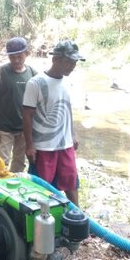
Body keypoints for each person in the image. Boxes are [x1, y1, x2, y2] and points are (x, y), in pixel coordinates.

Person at [22, 40, 85, 206]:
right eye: (68, 61)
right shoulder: (36, 83)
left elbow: (66, 110)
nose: (72, 66)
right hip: (44, 146)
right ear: (55, 59)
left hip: (65, 144)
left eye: (74, 62)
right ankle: (41, 220)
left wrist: (73, 134)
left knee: (71, 181)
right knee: (42, 186)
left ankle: (76, 215)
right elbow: (27, 115)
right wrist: (29, 145)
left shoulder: (67, 82)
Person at [0, 37, 35, 172]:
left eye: (19, 56)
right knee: (1, 164)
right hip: (4, 128)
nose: (16, 60)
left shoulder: (32, 74)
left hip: (24, 129)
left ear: (27, 53)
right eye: (12, 57)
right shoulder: (0, 73)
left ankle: (14, 189)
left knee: (19, 163)